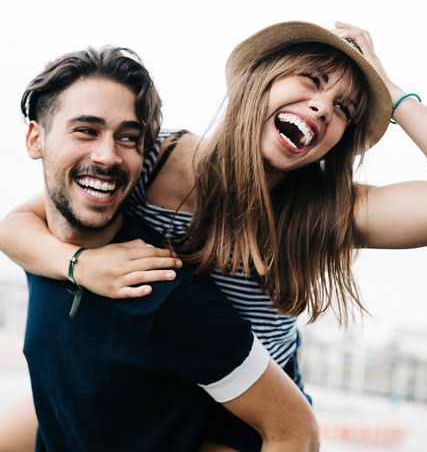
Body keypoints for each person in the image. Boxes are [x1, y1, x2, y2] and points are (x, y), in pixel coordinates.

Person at [2, 19, 427, 447]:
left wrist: (390, 91)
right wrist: (80, 266)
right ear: (259, 81)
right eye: (311, 81)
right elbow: (18, 226)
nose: (321, 107)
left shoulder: (330, 212)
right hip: (141, 386)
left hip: (241, 417)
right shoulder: (153, 159)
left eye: (344, 110)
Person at [0, 46, 319, 452]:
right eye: (86, 130)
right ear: (35, 138)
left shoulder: (167, 295)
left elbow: (295, 430)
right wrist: (77, 265)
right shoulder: (47, 244)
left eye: (128, 138)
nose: (106, 155)